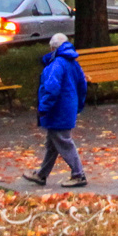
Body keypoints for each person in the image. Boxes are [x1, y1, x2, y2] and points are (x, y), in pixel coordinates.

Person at [24, 32, 88, 188]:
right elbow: (82, 84)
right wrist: (78, 104)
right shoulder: (73, 62)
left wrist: (43, 107)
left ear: (52, 47)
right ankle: (41, 174)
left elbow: (52, 89)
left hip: (57, 109)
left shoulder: (57, 64)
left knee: (63, 141)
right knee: (53, 143)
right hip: (68, 107)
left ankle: (78, 174)